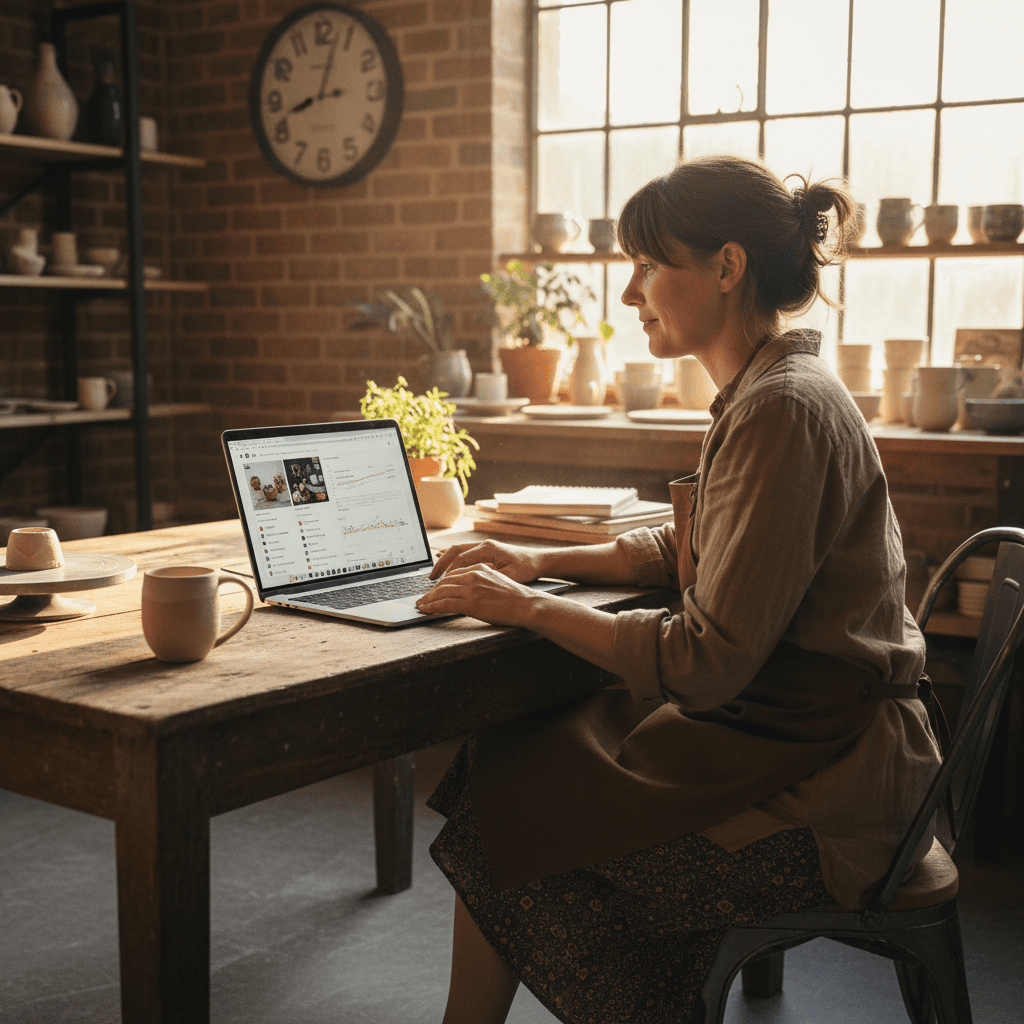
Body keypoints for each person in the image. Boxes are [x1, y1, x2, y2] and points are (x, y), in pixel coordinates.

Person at [414, 154, 941, 1024]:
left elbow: (705, 663)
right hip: (794, 736)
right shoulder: (764, 390)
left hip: (836, 795)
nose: (630, 294)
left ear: (727, 267)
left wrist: (524, 607)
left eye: (648, 266)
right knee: (507, 766)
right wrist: (537, 564)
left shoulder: (783, 408)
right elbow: (690, 547)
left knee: (505, 809)